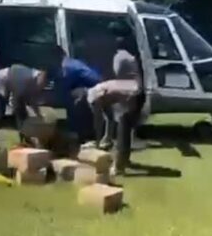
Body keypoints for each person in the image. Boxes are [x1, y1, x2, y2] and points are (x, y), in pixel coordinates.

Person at [85, 28, 145, 175]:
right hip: (135, 91)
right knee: (125, 130)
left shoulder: (96, 95)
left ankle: (119, 167)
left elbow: (99, 118)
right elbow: (107, 116)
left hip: (131, 94)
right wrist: (105, 137)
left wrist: (98, 140)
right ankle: (124, 161)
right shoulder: (103, 90)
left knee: (123, 131)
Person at [0, 63, 49, 149]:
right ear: (37, 79)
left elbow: (32, 100)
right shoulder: (24, 79)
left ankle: (25, 142)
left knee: (22, 115)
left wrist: (39, 115)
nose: (39, 88)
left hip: (10, 84)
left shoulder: (34, 79)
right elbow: (17, 103)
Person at [52, 46, 103, 140]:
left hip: (94, 89)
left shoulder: (66, 66)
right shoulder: (73, 62)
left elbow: (65, 88)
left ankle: (80, 134)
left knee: (71, 99)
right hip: (97, 86)